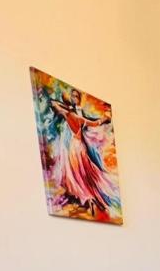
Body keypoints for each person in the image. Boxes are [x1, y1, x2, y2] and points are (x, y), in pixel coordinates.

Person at [49, 88, 119, 219]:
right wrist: (103, 119)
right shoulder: (79, 118)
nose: (74, 99)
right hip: (81, 147)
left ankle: (88, 198)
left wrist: (67, 107)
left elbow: (53, 103)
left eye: (76, 97)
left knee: (78, 176)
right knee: (86, 175)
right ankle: (92, 198)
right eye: (73, 96)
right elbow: (94, 123)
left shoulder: (67, 115)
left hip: (72, 149)